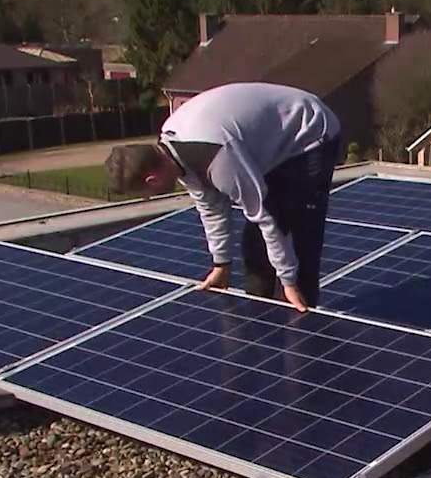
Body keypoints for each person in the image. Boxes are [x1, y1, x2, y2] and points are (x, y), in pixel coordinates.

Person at [104, 82, 342, 312]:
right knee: (256, 245)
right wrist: (221, 263)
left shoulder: (216, 156)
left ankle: (302, 315)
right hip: (267, 145)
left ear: (151, 180)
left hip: (309, 132)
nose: (148, 198)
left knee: (297, 234)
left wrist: (289, 282)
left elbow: (265, 216)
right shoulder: (172, 152)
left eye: (145, 194)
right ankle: (262, 319)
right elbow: (210, 206)